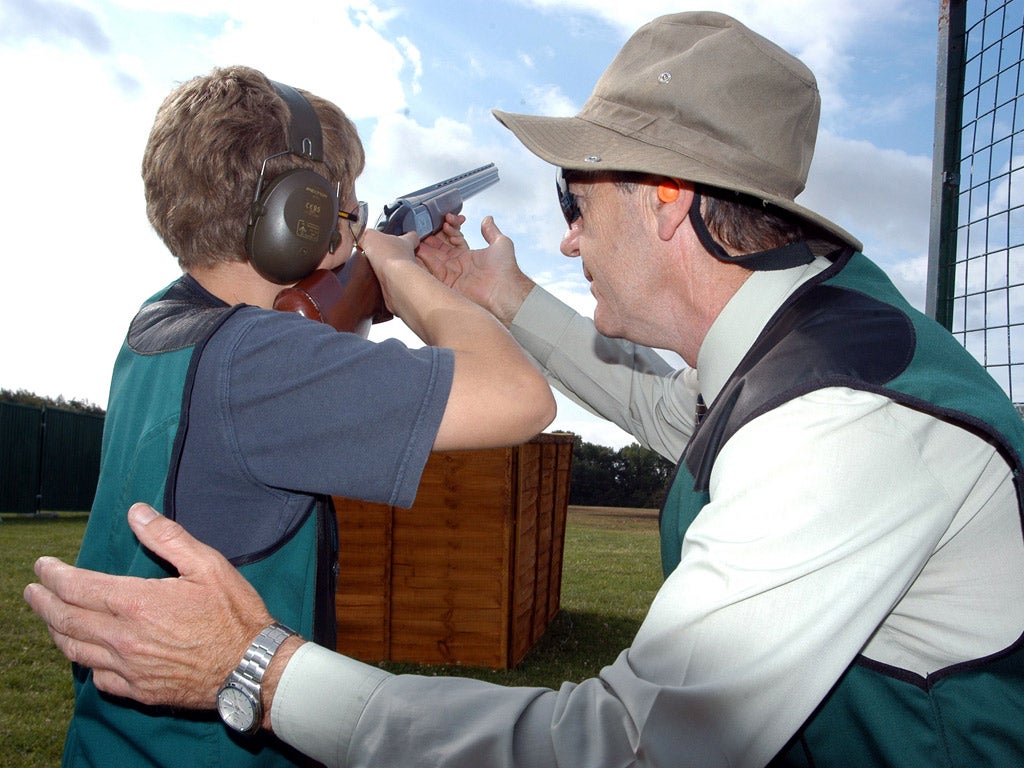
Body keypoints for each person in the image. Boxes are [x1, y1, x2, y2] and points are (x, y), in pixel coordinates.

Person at [26, 11, 1024, 767]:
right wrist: (501, 300)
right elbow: (669, 414)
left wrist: (262, 670)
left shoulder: (837, 428)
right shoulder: (810, 351)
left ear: (666, 201)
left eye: (574, 201)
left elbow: (627, 745)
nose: (566, 238)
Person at [51, 65, 554, 768]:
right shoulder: (256, 361)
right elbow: (519, 396)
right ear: (301, 217)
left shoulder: (163, 324)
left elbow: (312, 351)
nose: (355, 230)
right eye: (347, 212)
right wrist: (398, 267)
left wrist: (364, 283)